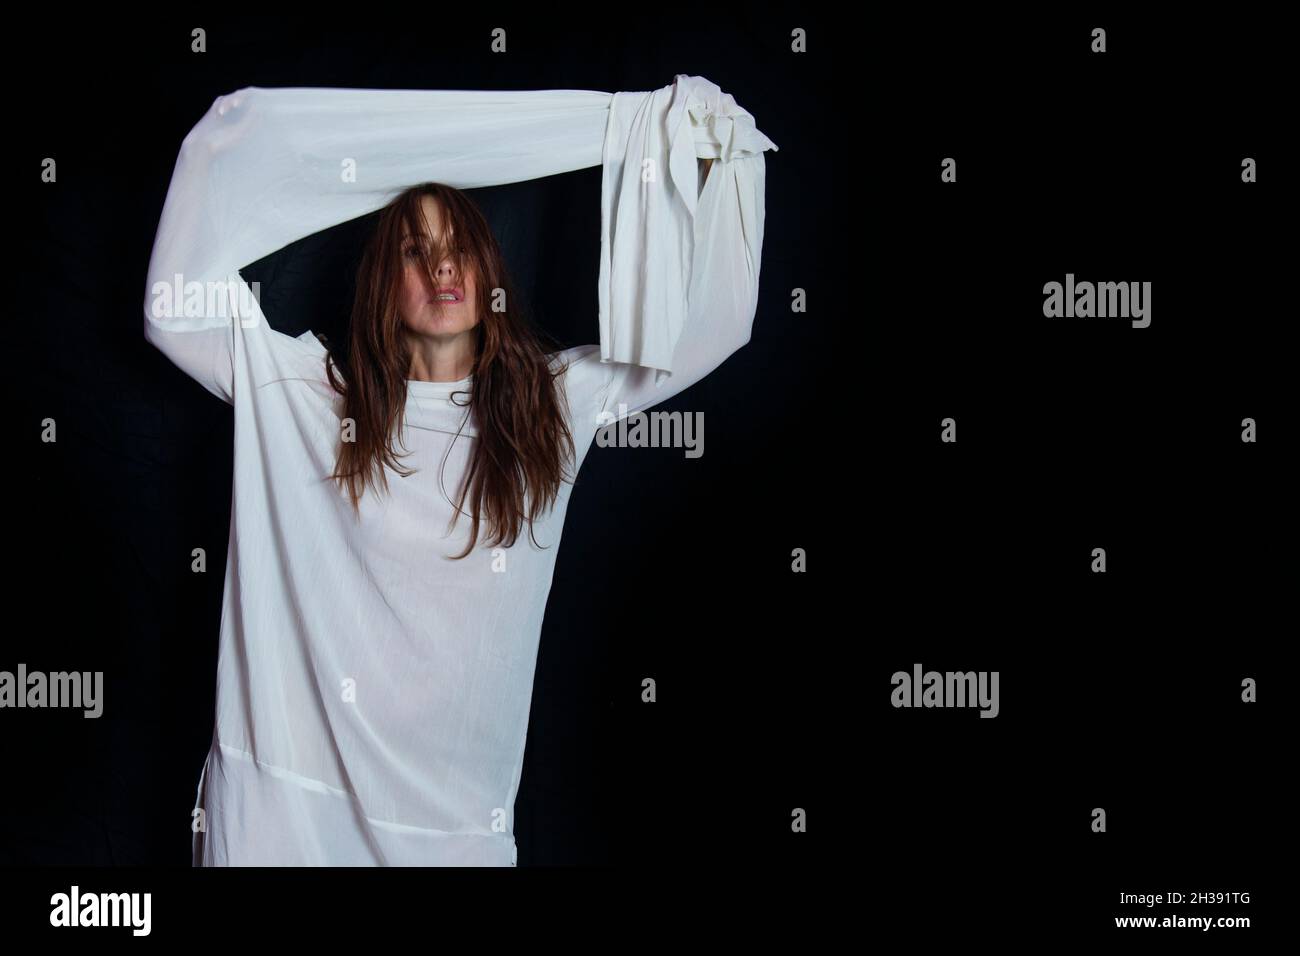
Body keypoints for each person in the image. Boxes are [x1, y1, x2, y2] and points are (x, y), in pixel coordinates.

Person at [143, 77, 776, 865]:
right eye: (416, 249)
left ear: (487, 273)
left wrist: (712, 148)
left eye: (458, 249)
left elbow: (713, 328)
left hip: (454, 836)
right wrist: (239, 130)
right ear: (384, 281)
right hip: (291, 825)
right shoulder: (305, 395)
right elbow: (172, 308)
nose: (443, 267)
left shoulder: (554, 406)